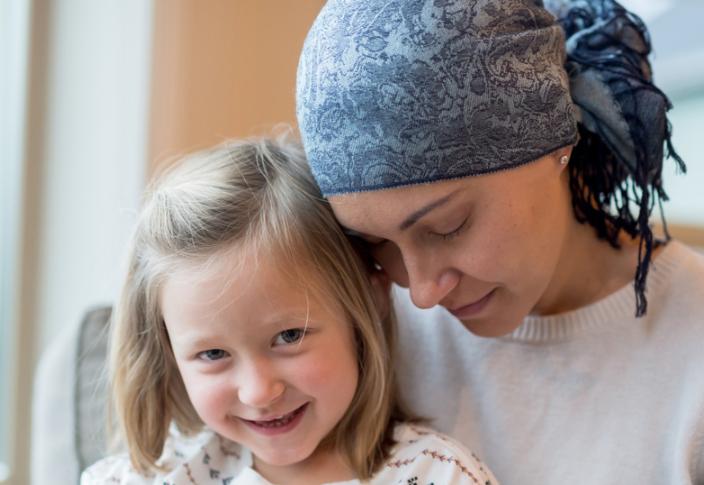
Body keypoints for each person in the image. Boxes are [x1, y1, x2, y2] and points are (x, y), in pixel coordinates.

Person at [296, 0, 704, 483]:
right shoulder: (353, 343)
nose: (421, 293)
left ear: (558, 141)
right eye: (376, 244)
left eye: (448, 226)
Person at [80, 137, 499, 485]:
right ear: (167, 351)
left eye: (289, 336)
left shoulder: (440, 475)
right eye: (212, 354)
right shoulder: (151, 477)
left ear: (370, 302)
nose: (258, 392)